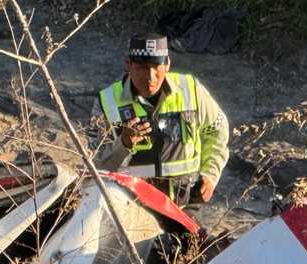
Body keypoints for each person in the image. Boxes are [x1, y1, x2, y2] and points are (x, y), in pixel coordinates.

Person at [92, 33, 229, 207]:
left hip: (184, 205)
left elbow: (217, 128)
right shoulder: (106, 102)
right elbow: (97, 165)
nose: (150, 77)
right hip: (131, 207)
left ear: (168, 64)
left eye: (156, 66)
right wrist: (124, 143)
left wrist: (210, 175)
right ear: (128, 65)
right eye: (141, 67)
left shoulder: (191, 89)